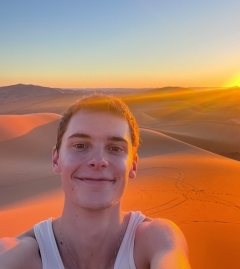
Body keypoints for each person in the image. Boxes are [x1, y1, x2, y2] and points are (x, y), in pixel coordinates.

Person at [0, 94, 191, 269]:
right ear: (56, 159)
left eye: (115, 148)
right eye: (80, 145)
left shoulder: (156, 240)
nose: (99, 161)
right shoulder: (20, 254)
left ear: (132, 166)